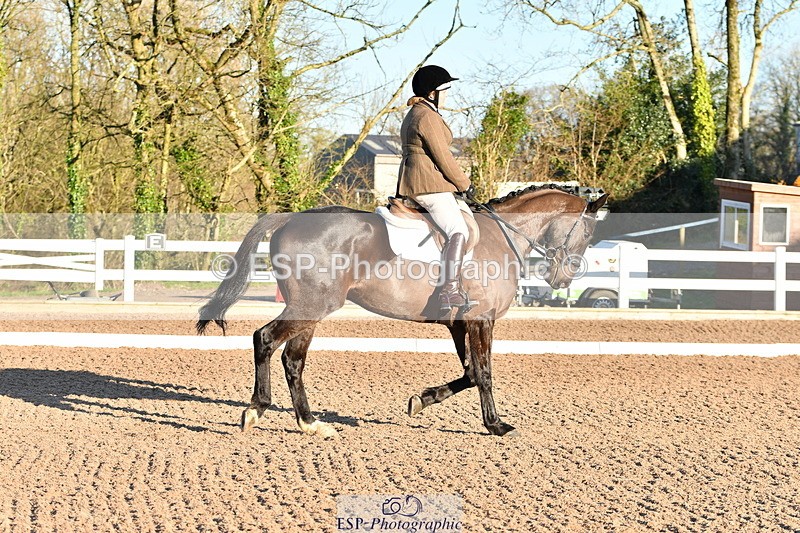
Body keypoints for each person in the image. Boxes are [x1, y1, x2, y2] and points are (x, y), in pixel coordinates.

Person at [395, 65, 477, 314]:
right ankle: (449, 290)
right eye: (445, 90)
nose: (447, 95)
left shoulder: (417, 112)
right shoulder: (427, 116)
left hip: (418, 180)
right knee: (458, 230)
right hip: (427, 184)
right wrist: (464, 184)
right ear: (432, 93)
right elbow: (443, 156)